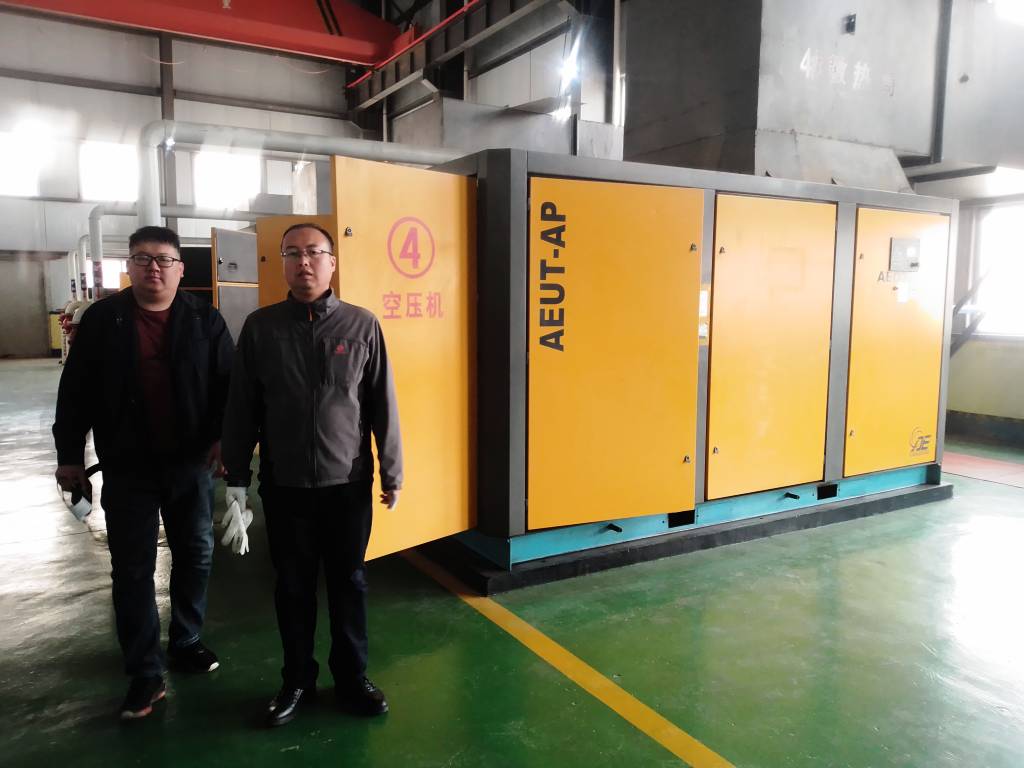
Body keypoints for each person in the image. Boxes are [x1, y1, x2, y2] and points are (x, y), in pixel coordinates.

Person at [221, 222, 402, 728]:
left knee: (349, 583)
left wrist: (392, 469)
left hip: (348, 485)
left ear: (332, 262)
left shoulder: (362, 325)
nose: (304, 262)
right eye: (293, 253)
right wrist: (236, 480)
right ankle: (296, 679)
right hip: (285, 486)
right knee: (293, 587)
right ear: (281, 262)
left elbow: (382, 404)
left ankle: (352, 678)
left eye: (314, 252)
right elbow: (241, 408)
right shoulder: (261, 328)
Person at [53, 225, 234, 720]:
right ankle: (145, 672)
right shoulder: (103, 320)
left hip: (189, 463)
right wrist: (69, 456)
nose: (153, 268)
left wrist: (225, 438)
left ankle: (187, 638)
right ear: (129, 267)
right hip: (127, 465)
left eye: (163, 260)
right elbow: (76, 392)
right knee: (132, 567)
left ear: (180, 269)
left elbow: (228, 385)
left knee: (196, 553)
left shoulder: (204, 319)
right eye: (142, 259)